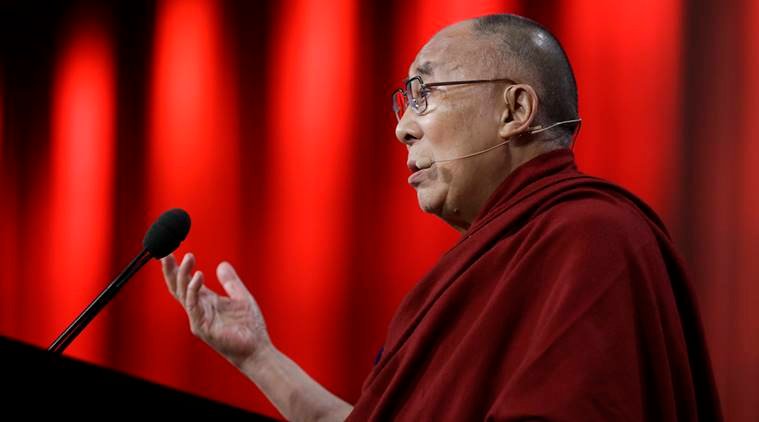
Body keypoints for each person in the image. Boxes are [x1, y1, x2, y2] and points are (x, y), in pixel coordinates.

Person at [161, 14, 722, 421]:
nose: (402, 128)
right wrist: (258, 356)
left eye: (424, 92)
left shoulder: (591, 239)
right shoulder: (484, 266)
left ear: (515, 110)